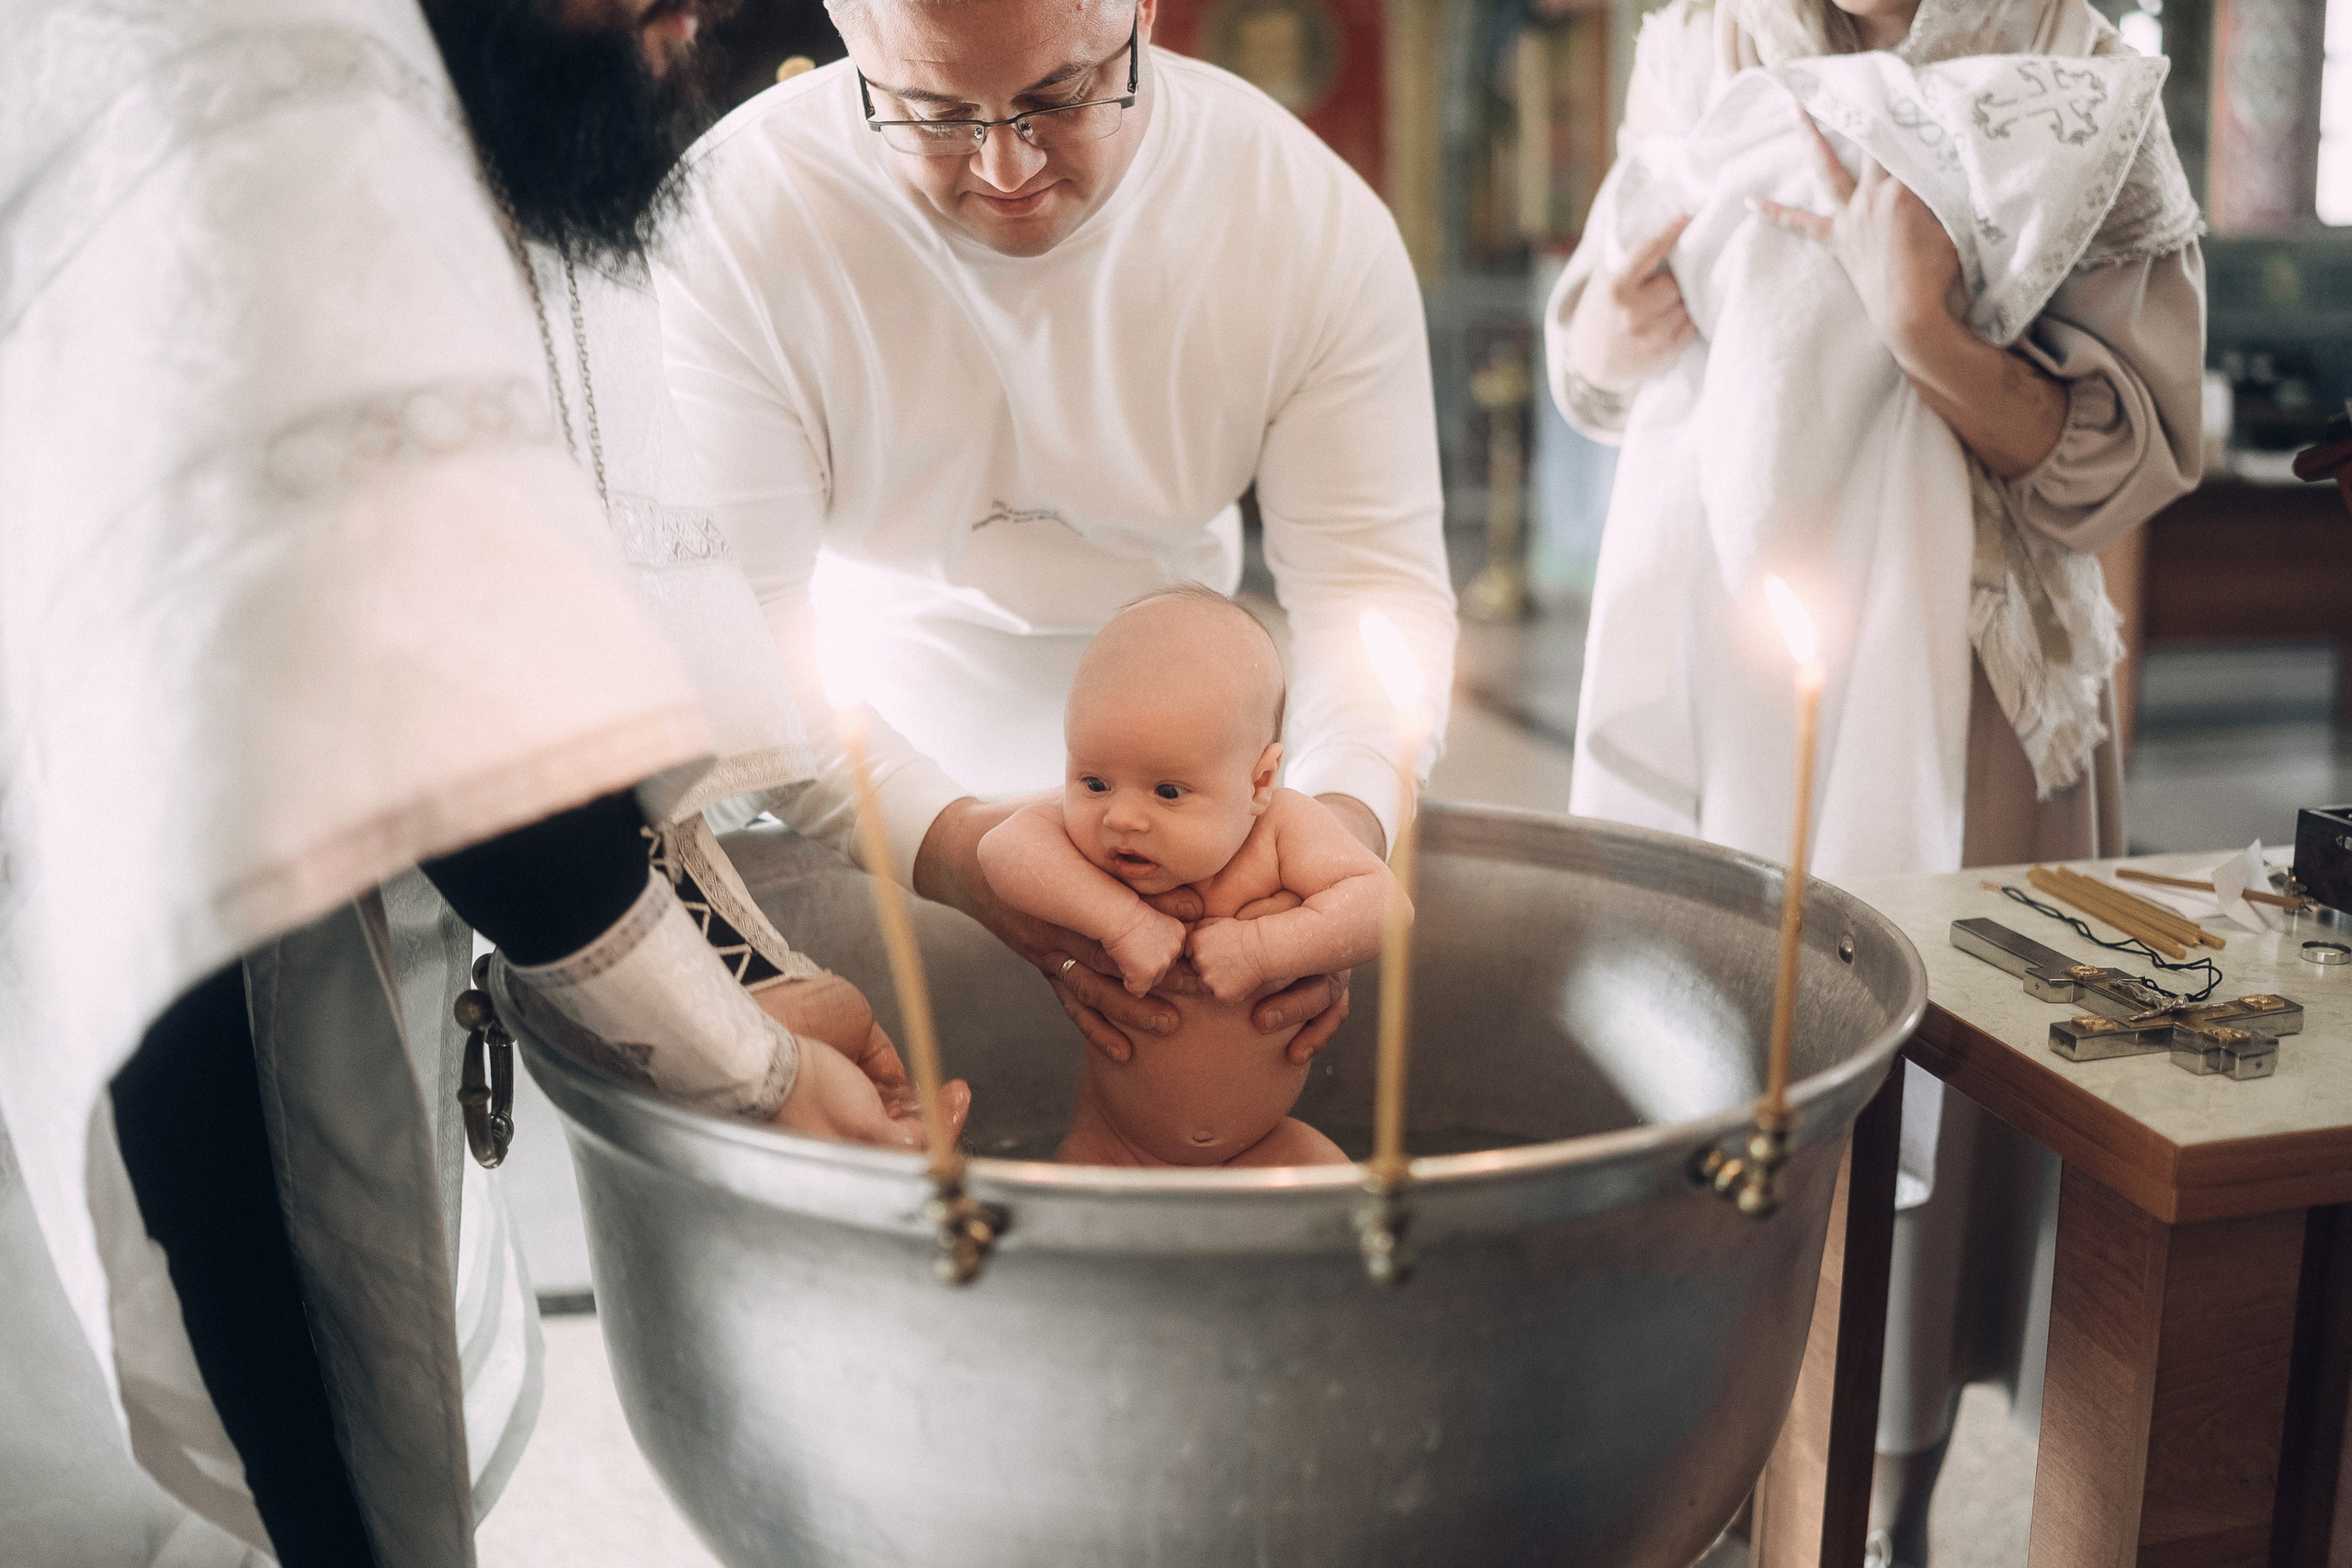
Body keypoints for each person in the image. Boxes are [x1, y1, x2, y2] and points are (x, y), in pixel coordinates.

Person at [0, 2, 943, 1564]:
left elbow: (549, 630)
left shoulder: (480, 76)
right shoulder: (251, 64)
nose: (701, 19)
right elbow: (439, 669)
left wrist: (751, 970)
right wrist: (755, 1074)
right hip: (137, 897)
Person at [1541, 0, 2203, 1560]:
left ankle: (1888, 1499)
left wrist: (1927, 336)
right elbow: (1593, 340)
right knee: (1693, 1084)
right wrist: (1615, 321)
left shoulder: (2084, 68)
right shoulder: (1704, 31)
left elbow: (2131, 454)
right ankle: (1700, 1468)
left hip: (1958, 700)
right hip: (1717, 668)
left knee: (1928, 1144)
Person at [650, 0, 1456, 1077]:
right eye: (932, 112)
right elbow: (737, 620)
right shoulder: (733, 219)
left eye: (1061, 96)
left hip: (1213, 782)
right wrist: (947, 844)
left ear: (1142, 14)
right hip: (850, 760)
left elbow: (1372, 590)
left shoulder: (1297, 214)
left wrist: (1335, 832)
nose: (1004, 167)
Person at [978, 588, 1392, 1167]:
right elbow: (1001, 849)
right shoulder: (1092, 847)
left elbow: (1384, 908)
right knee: (1061, 1229)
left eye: (1168, 792)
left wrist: (1263, 948)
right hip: (1113, 1143)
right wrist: (1120, 920)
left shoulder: (1284, 831)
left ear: (1259, 783)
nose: (1120, 817)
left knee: (1345, 1212)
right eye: (1092, 781)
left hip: (1265, 1148)